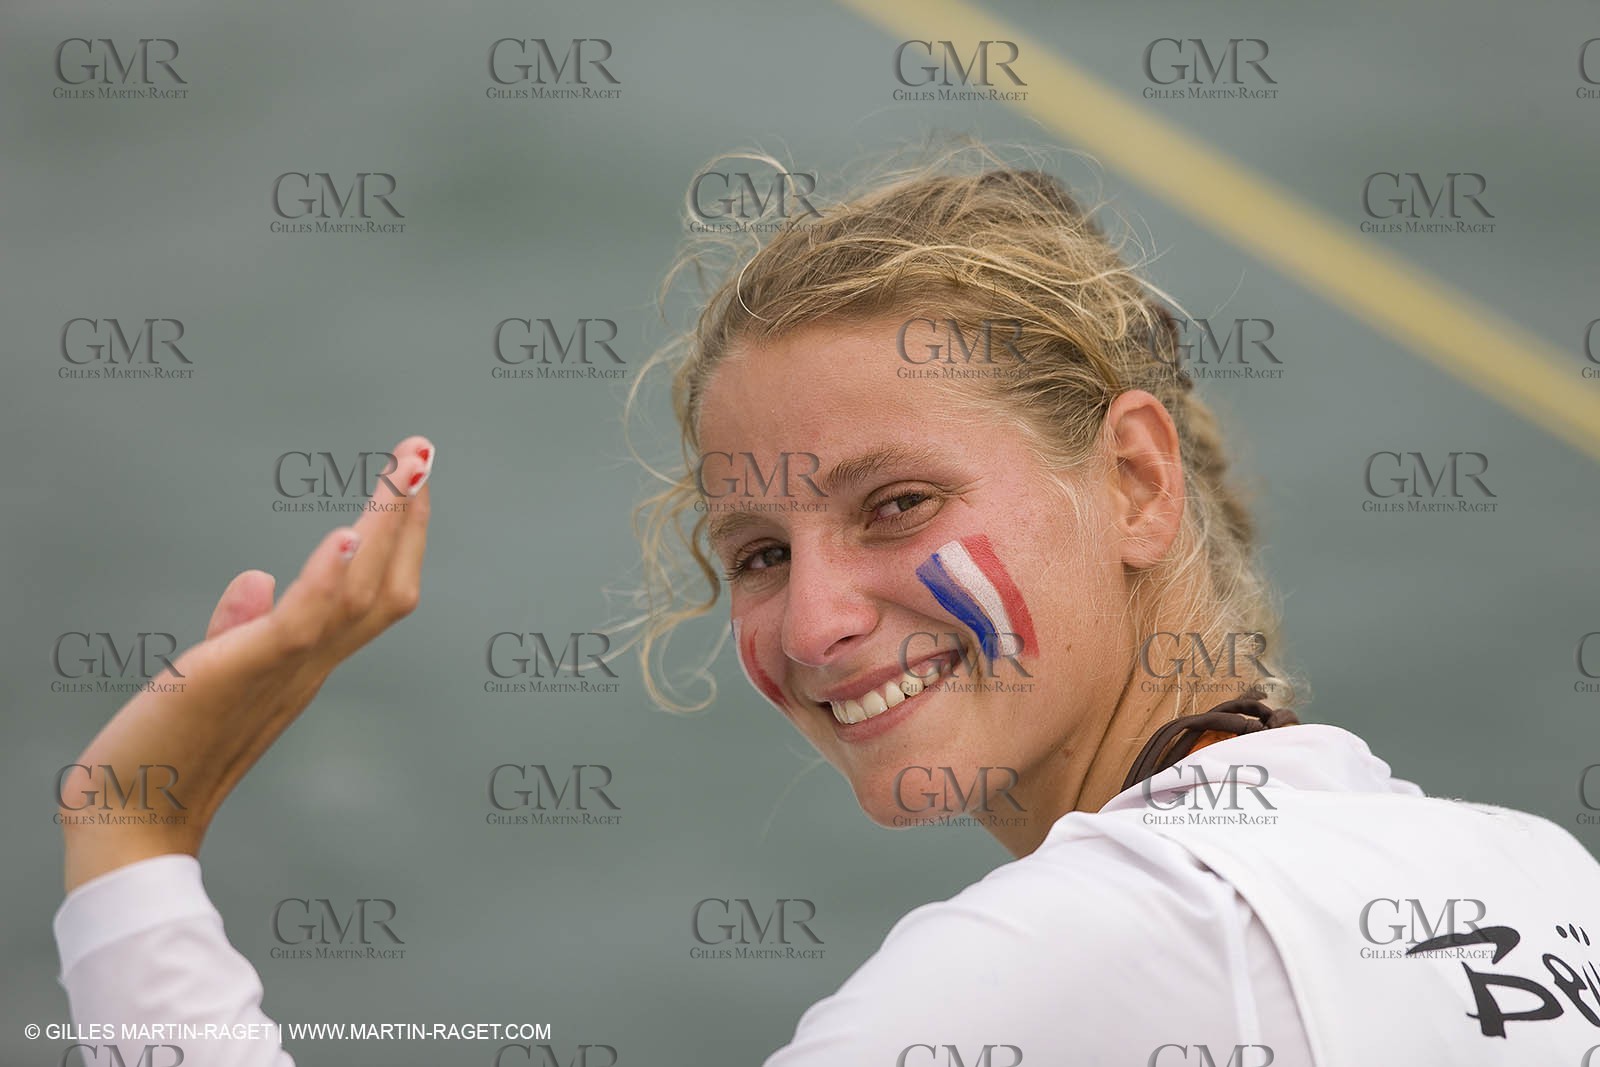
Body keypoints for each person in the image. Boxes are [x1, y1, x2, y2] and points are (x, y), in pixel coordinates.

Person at [53, 156, 1600, 1067]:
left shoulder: (1047, 960)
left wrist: (131, 845)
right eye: (758, 553)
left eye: (896, 506)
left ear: (1135, 480)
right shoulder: (1536, 873)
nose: (817, 626)